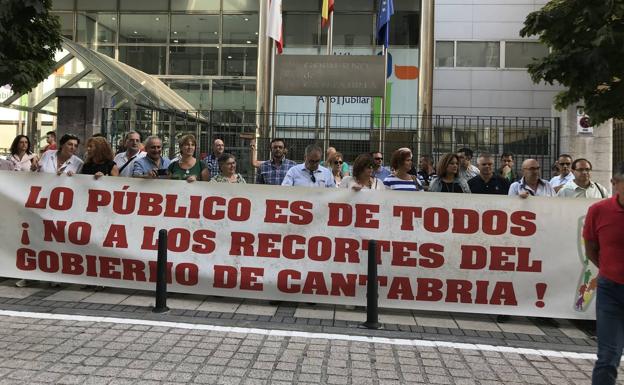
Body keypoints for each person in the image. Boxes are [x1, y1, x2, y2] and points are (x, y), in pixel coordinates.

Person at [583, 162, 624, 385]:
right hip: (611, 290)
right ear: (615, 184)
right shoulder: (598, 211)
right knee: (608, 357)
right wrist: (608, 268)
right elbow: (590, 248)